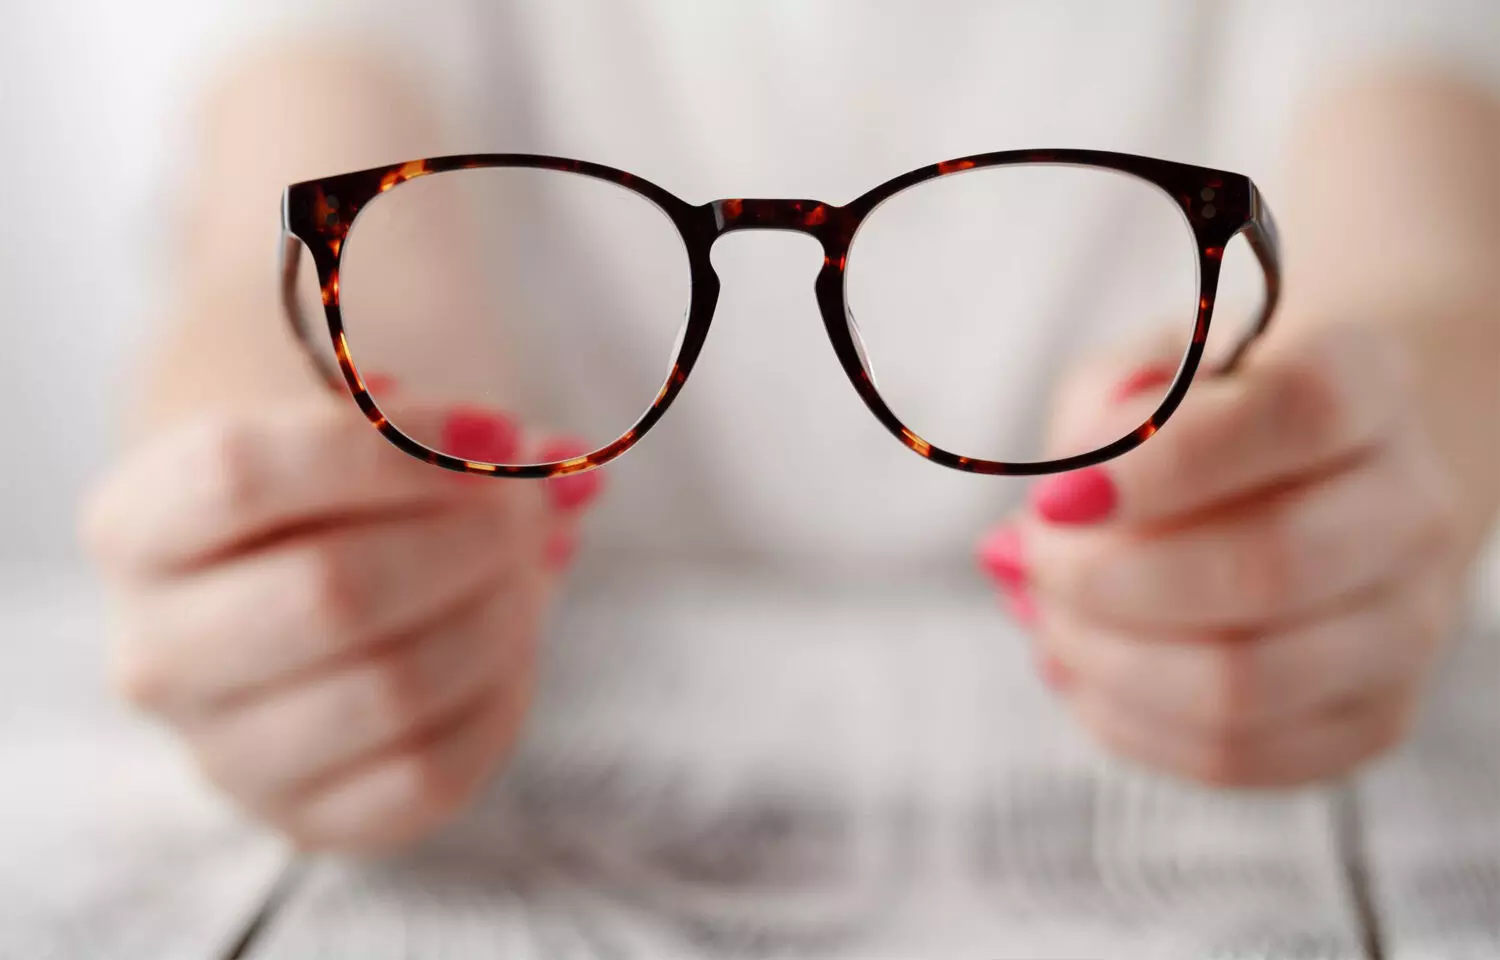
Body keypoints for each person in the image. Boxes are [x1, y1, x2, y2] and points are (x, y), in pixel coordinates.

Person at [81, 2, 1499, 855]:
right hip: (541, 782)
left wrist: (1340, 461)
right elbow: (280, 245)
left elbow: (1432, 269)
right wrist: (299, 495)